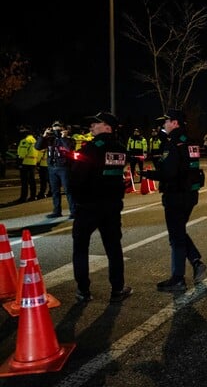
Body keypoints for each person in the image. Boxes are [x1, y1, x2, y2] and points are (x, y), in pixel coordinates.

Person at [140, 109, 207, 292]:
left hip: (176, 195)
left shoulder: (173, 144)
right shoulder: (191, 142)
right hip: (190, 194)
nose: (164, 125)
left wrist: (148, 173)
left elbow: (168, 172)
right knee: (179, 231)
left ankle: (178, 278)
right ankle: (196, 261)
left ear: (175, 123)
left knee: (176, 237)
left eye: (167, 121)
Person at [69, 111, 132, 303]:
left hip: (88, 206)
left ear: (107, 127)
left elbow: (76, 179)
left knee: (80, 247)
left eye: (96, 124)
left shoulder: (90, 149)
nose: (91, 127)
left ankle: (83, 290)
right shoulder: (121, 149)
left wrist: (78, 201)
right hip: (111, 206)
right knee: (113, 247)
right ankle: (117, 289)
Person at [35, 121, 75, 218]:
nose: (56, 131)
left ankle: (74, 212)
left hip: (64, 168)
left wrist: (63, 137)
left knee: (68, 190)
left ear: (63, 130)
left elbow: (69, 148)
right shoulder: (50, 140)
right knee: (55, 191)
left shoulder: (69, 140)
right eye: (55, 129)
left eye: (59, 129)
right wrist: (44, 136)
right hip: (52, 168)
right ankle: (57, 211)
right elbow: (38, 147)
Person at [16, 125, 39, 203]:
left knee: (24, 182)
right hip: (33, 163)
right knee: (32, 181)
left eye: (22, 130)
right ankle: (33, 196)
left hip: (25, 163)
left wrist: (19, 161)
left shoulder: (25, 140)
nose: (21, 132)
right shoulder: (34, 140)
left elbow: (22, 153)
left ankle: (23, 197)